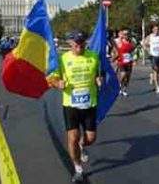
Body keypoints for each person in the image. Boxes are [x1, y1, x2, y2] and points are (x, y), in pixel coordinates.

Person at [49, 31, 103, 183]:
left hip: (89, 104)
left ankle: (82, 145)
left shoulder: (93, 56)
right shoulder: (63, 59)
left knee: (90, 138)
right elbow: (51, 78)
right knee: (73, 137)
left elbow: (100, 74)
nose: (79, 46)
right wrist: (57, 83)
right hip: (71, 105)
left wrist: (99, 79)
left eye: (82, 43)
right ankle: (78, 169)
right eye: (76, 44)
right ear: (70, 44)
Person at [114, 29, 136, 97]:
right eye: (125, 34)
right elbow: (115, 51)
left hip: (129, 61)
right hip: (121, 61)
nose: (126, 35)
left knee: (128, 77)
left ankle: (124, 89)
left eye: (127, 34)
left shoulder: (131, 42)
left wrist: (135, 59)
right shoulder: (119, 42)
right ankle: (120, 85)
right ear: (123, 35)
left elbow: (134, 51)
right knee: (123, 74)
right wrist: (114, 58)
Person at [144, 24, 159, 94]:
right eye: (155, 29)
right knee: (156, 70)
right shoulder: (150, 36)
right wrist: (148, 50)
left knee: (158, 71)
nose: (156, 31)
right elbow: (144, 43)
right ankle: (157, 87)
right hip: (153, 55)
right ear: (152, 30)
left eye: (157, 29)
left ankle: (152, 76)